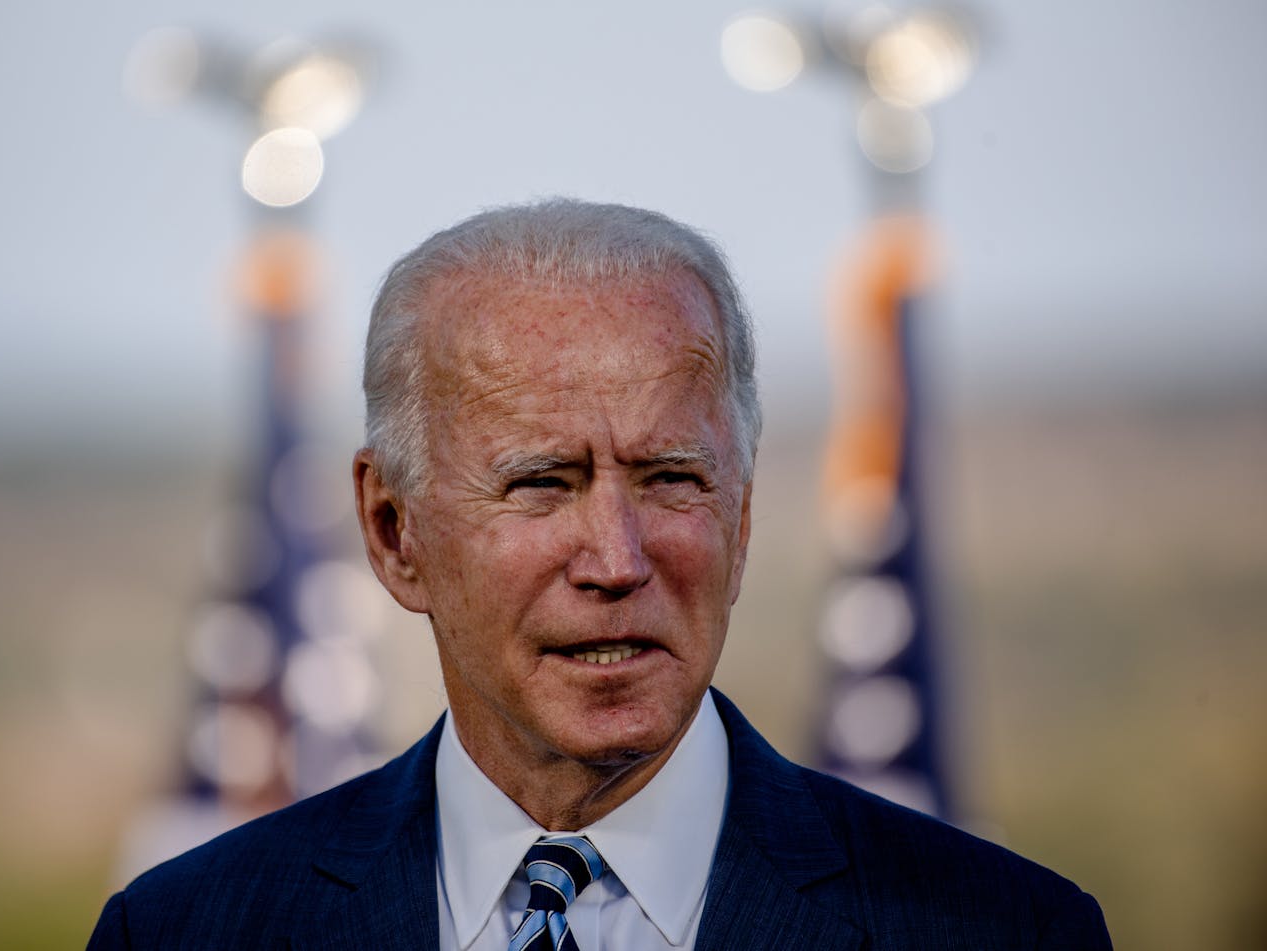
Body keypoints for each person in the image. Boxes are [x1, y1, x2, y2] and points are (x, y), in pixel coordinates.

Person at [88, 199, 1112, 950]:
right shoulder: (184, 933)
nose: (617, 561)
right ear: (393, 531)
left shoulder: (1006, 933)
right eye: (540, 484)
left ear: (741, 517)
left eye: (671, 480)